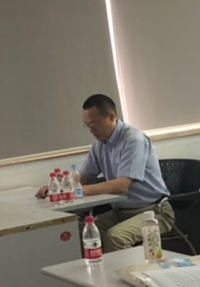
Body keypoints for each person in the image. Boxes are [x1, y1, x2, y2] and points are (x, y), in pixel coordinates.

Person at [54, 94, 174, 250]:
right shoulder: (100, 145)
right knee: (80, 232)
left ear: (111, 117)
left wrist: (78, 191)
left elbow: (121, 185)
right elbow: (82, 178)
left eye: (93, 124)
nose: (91, 130)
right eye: (87, 125)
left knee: (116, 237)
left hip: (153, 212)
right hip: (120, 212)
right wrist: (58, 186)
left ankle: (127, 267)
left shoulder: (133, 139)